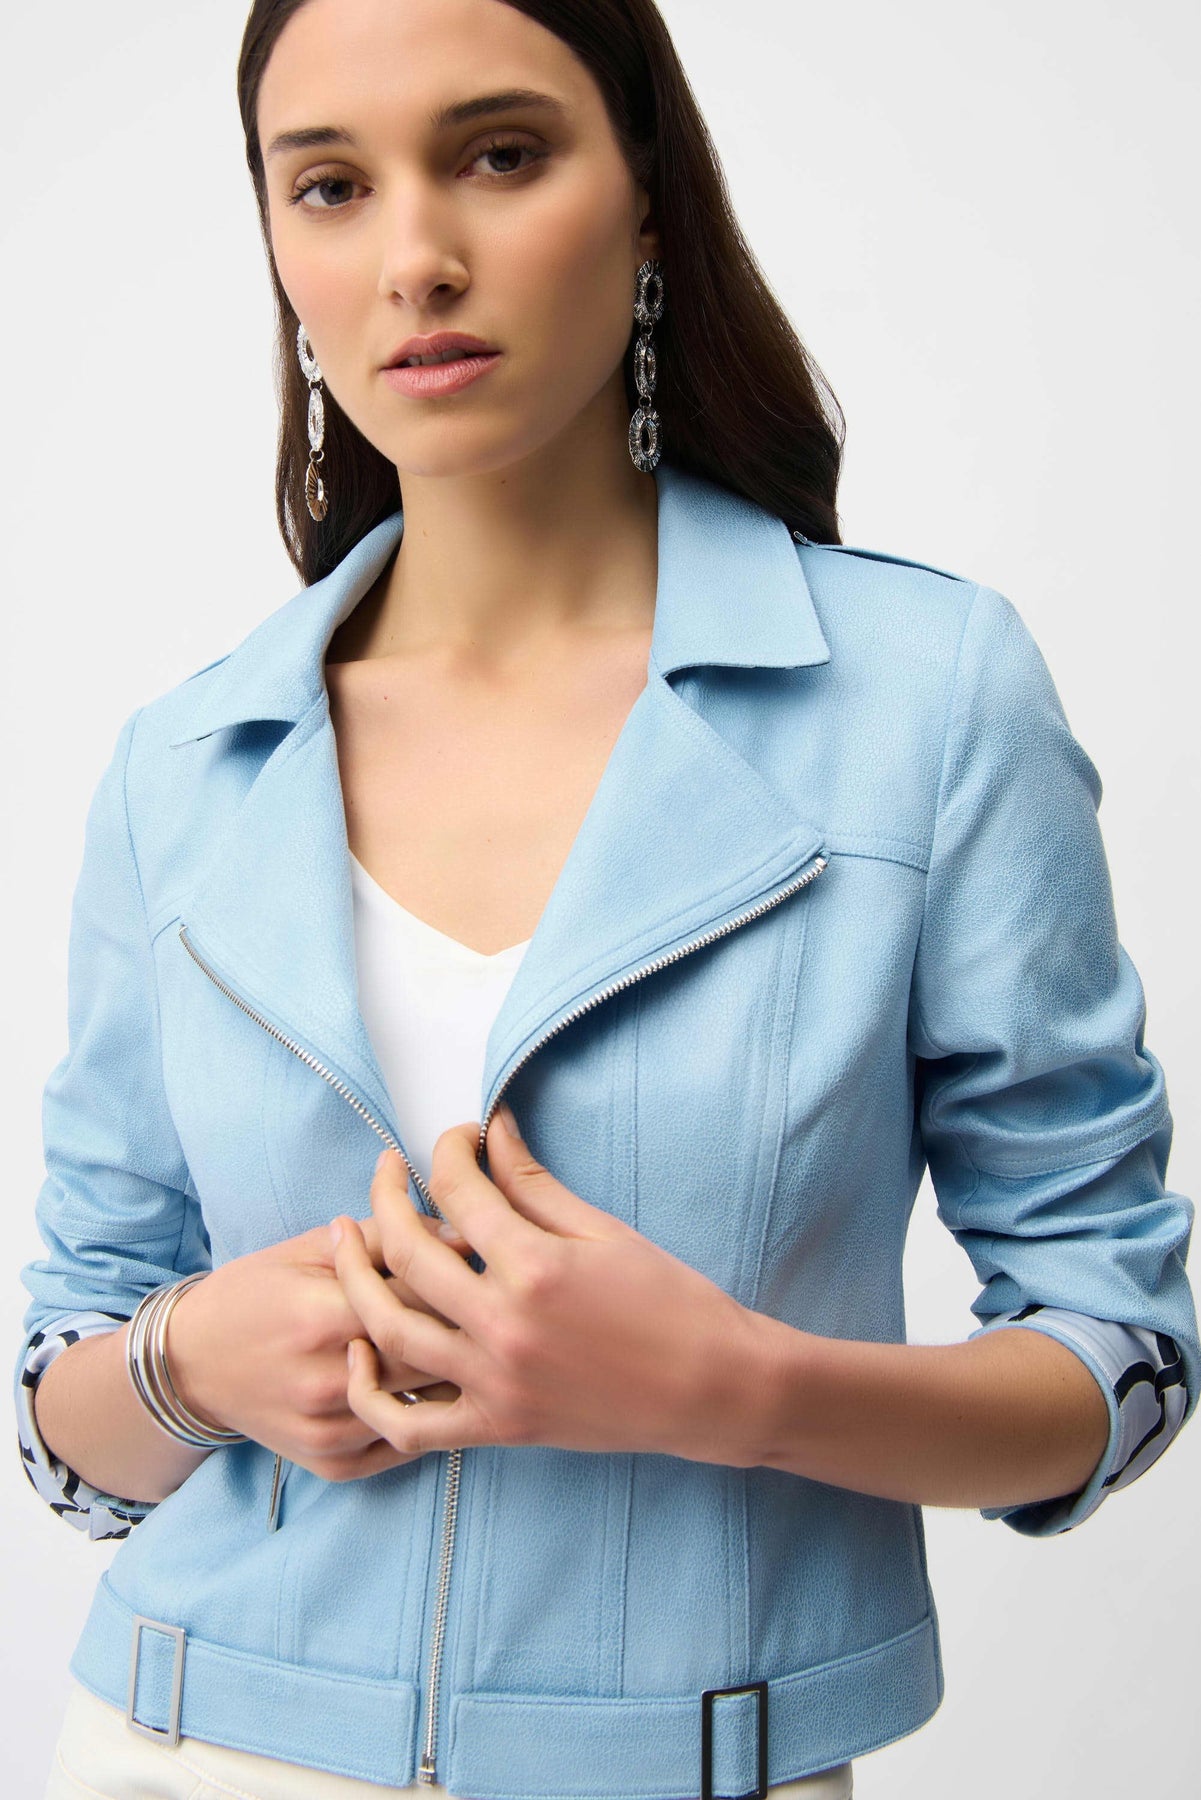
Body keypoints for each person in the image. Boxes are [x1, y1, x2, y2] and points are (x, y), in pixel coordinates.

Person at [16, 1, 1198, 1797]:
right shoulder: (181, 767)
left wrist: (733, 1387)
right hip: (173, 1745)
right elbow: (67, 1400)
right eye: (328, 185)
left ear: (646, 195)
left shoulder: (926, 701)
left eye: (498, 154)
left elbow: (1119, 1351)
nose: (414, 255)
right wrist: (190, 1361)